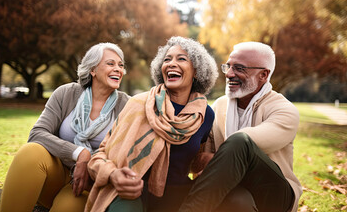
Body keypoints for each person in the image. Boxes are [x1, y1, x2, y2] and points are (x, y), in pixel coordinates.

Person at [85, 36, 219, 212]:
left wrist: (207, 163)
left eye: (181, 59)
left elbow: (197, 161)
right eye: (167, 59)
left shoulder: (204, 114)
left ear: (197, 71)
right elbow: (100, 154)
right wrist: (113, 174)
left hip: (179, 198)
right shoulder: (139, 104)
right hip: (132, 194)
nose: (171, 63)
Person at [0, 42, 130, 212]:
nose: (118, 69)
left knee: (67, 207)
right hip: (55, 173)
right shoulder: (66, 93)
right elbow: (37, 134)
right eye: (110, 63)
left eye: (121, 65)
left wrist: (91, 165)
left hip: (88, 183)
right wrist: (80, 153)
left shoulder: (126, 105)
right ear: (93, 70)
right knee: (30, 152)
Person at [179, 42, 302, 212]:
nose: (229, 74)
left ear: (263, 75)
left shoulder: (284, 110)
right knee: (236, 200)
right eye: (228, 66)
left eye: (239, 68)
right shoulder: (219, 106)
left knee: (241, 141)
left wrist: (215, 160)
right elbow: (200, 162)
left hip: (275, 196)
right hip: (235, 189)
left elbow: (243, 146)